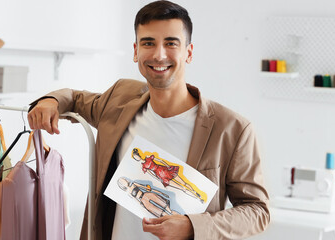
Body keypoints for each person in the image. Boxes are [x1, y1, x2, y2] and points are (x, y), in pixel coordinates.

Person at [27, 1, 269, 240]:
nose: (159, 54)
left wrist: (193, 226)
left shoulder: (232, 129)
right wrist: (51, 100)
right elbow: (75, 98)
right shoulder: (119, 98)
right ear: (136, 51)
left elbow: (258, 211)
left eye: (171, 43)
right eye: (148, 43)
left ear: (189, 52)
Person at [132, 148, 204, 203]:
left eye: (137, 156)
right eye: (135, 158)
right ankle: (198, 198)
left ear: (139, 155)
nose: (137, 158)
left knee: (184, 183)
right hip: (161, 176)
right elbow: (153, 175)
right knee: (182, 188)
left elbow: (160, 161)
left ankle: (195, 192)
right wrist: (160, 180)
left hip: (165, 170)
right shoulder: (143, 167)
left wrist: (168, 166)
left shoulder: (148, 157)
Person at [117, 177, 181, 217]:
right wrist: (142, 205)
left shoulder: (134, 184)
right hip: (143, 201)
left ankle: (178, 216)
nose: (125, 181)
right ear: (122, 185)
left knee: (164, 205)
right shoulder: (129, 193)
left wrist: (159, 192)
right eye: (123, 182)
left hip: (147, 194)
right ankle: (174, 221)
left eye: (124, 180)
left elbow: (143, 187)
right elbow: (136, 200)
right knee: (160, 212)